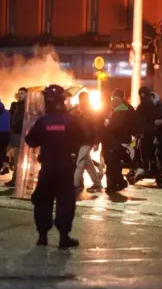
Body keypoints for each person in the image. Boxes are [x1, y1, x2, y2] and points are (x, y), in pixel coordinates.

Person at [25, 85, 85, 249]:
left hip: (47, 167)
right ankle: (63, 237)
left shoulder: (43, 121)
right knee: (65, 200)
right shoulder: (70, 120)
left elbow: (30, 140)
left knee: (43, 199)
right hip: (65, 167)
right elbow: (83, 136)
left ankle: (42, 236)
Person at [102, 89, 135, 194]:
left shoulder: (121, 109)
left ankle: (113, 184)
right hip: (122, 140)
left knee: (112, 163)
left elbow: (117, 125)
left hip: (117, 140)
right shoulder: (127, 108)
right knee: (115, 163)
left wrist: (108, 123)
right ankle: (118, 182)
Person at [73, 91, 103, 193]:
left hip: (87, 141)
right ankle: (97, 183)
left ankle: (75, 185)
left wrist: (96, 142)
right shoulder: (83, 111)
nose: (80, 101)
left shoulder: (89, 111)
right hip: (84, 140)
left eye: (82, 99)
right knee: (87, 163)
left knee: (80, 163)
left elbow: (95, 127)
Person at [7, 87, 28, 187]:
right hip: (16, 135)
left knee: (22, 159)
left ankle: (21, 180)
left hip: (23, 135)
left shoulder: (27, 106)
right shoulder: (17, 105)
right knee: (17, 159)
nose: (20, 95)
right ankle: (15, 179)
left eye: (22, 93)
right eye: (19, 93)